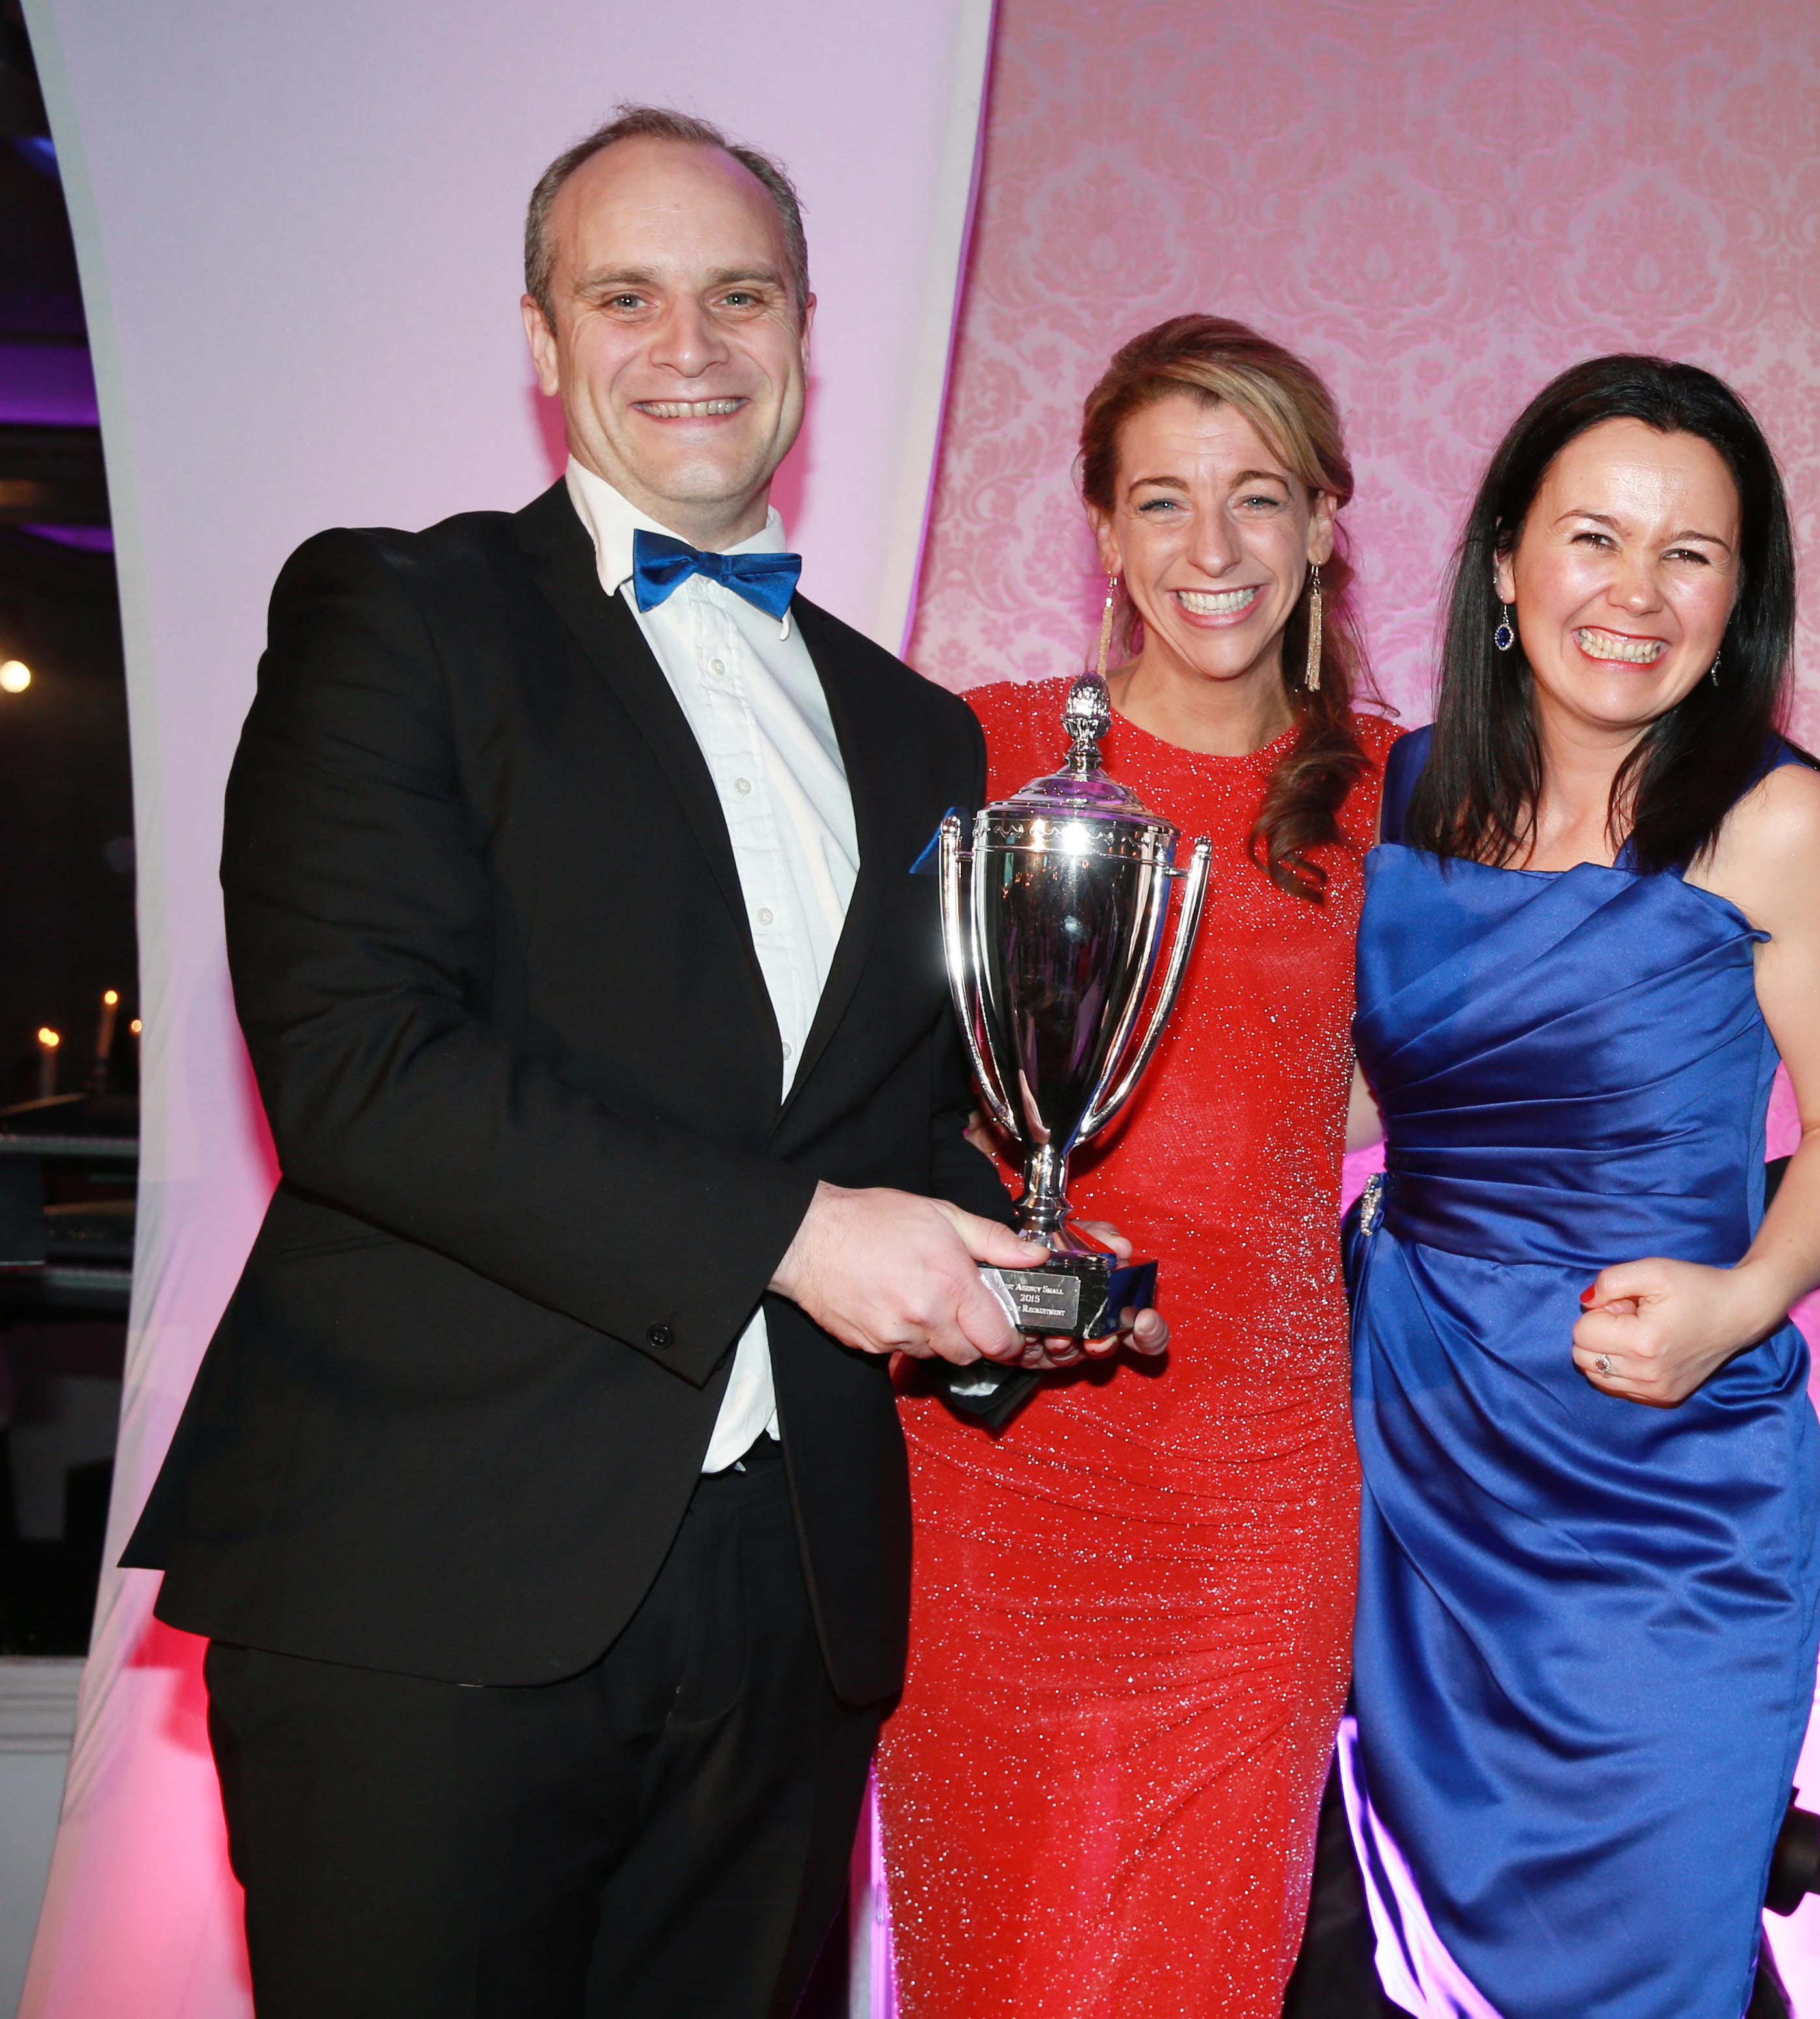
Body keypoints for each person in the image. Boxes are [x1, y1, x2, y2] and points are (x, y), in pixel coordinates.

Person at [118, 105, 1157, 2016]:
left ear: (806, 331)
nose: (691, 345)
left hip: (788, 1598)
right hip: (431, 1574)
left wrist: (995, 1272)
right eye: (627, 296)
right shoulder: (397, 613)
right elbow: (361, 1068)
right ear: (541, 337)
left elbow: (873, 1125)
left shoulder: (918, 731)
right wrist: (802, 1236)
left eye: (739, 295)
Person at [877, 315, 1393, 2018]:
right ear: (1101, 526)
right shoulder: (980, 750)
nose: (1211, 546)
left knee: (1199, 1964)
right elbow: (864, 1067)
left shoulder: (1398, 788)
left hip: (1254, 1478)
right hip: (991, 1456)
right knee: (995, 1963)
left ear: (1323, 521)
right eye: (1163, 500)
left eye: (1258, 496)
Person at [1344, 355, 1820, 2019]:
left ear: (1740, 598)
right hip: (1412, 1442)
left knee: (1645, 1953)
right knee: (1387, 1938)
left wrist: (1746, 1297)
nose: (1636, 594)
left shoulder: (1781, 823)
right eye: (1594, 537)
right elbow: (1343, 1089)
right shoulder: (1393, 795)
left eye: (1689, 554)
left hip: (1662, 1473)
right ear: (1505, 560)